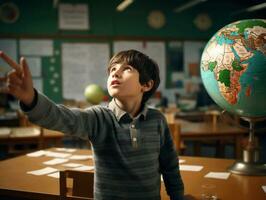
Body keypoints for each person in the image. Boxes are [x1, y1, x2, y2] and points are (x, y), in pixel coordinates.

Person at [0, 50, 184, 200]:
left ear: (146, 85)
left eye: (126, 68)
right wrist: (31, 98)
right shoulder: (99, 117)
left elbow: (169, 164)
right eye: (112, 69)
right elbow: (61, 117)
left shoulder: (157, 119)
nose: (115, 72)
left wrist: (177, 196)